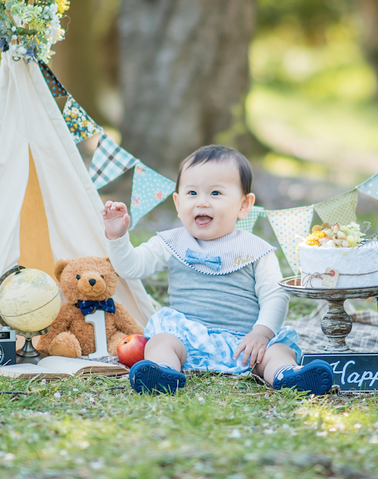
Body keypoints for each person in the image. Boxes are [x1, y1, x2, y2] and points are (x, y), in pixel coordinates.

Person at [102, 145, 333, 395]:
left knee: (276, 351)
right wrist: (118, 237)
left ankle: (286, 375)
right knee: (160, 341)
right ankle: (164, 371)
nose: (202, 202)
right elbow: (131, 267)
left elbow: (275, 295)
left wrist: (261, 333)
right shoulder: (171, 242)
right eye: (192, 193)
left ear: (244, 205)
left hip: (245, 342)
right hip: (187, 337)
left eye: (215, 193)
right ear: (178, 203)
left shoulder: (256, 250)